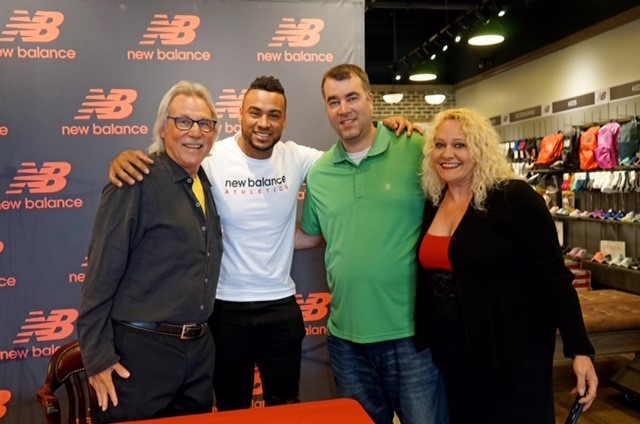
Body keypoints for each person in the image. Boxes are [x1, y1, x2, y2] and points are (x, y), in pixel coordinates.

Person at [107, 75, 420, 411]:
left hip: (280, 307)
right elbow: (167, 160)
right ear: (239, 114)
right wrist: (126, 158)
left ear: (284, 120)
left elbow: (354, 152)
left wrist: (387, 126)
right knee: (231, 409)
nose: (263, 123)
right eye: (255, 112)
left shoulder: (299, 158)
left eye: (274, 115)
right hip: (225, 310)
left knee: (286, 408)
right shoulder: (211, 159)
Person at [414, 107, 598, 423]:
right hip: (452, 353)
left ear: (481, 150)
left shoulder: (514, 198)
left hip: (511, 352)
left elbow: (554, 278)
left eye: (460, 145)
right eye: (440, 145)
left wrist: (580, 350)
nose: (448, 154)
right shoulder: (434, 200)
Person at [297, 64, 448, 424]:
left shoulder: (415, 148)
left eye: (352, 97)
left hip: (412, 337)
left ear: (370, 99)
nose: (344, 109)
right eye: (333, 102)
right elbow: (312, 233)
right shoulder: (319, 172)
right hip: (345, 340)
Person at [78, 80, 223, 423]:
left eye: (205, 123)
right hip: (139, 357)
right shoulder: (135, 181)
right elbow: (98, 277)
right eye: (183, 121)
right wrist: (97, 358)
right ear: (162, 127)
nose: (195, 132)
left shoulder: (203, 182)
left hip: (198, 355)